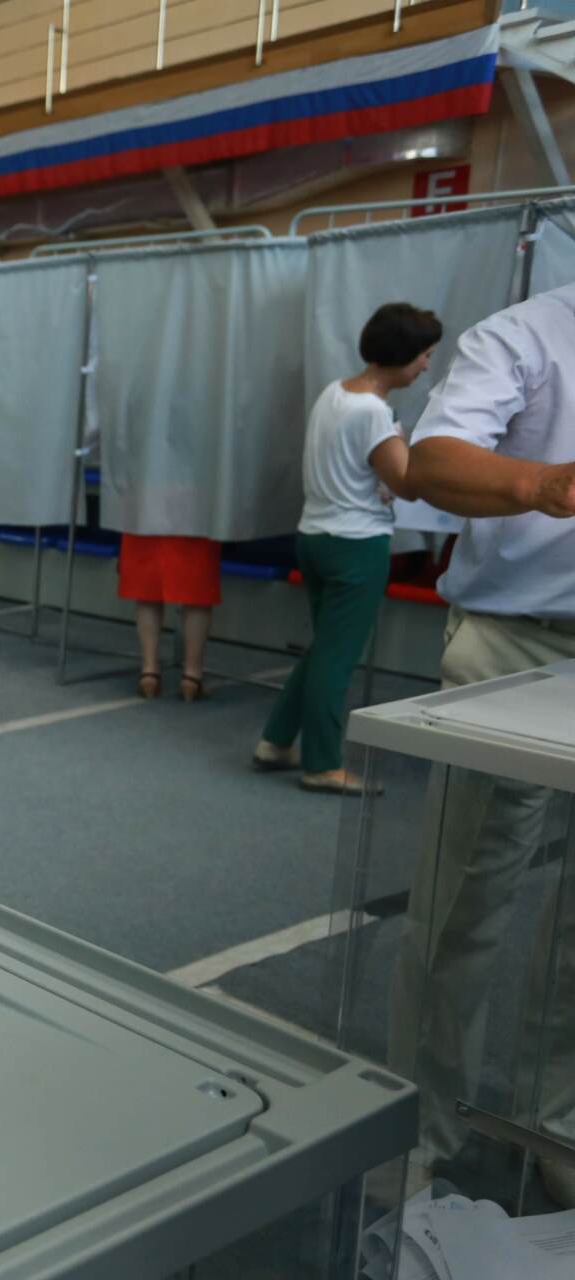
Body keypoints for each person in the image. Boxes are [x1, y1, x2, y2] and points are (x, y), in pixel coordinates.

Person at [391, 281, 575, 1205]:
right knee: (466, 900)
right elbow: (431, 462)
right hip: (516, 642)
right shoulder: (528, 334)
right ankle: (420, 1127)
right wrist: (542, 484)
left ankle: (560, 1125)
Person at [257, 303, 435, 794]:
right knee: (336, 660)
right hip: (356, 546)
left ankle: (275, 741)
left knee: (324, 651)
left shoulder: (334, 393)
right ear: (402, 356)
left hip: (315, 538)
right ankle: (323, 764)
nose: (426, 366)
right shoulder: (374, 413)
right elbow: (406, 484)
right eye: (424, 355)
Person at [119, 532, 219, 701]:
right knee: (196, 586)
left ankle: (149, 672)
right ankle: (192, 676)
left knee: (148, 585)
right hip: (195, 519)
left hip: (147, 517)